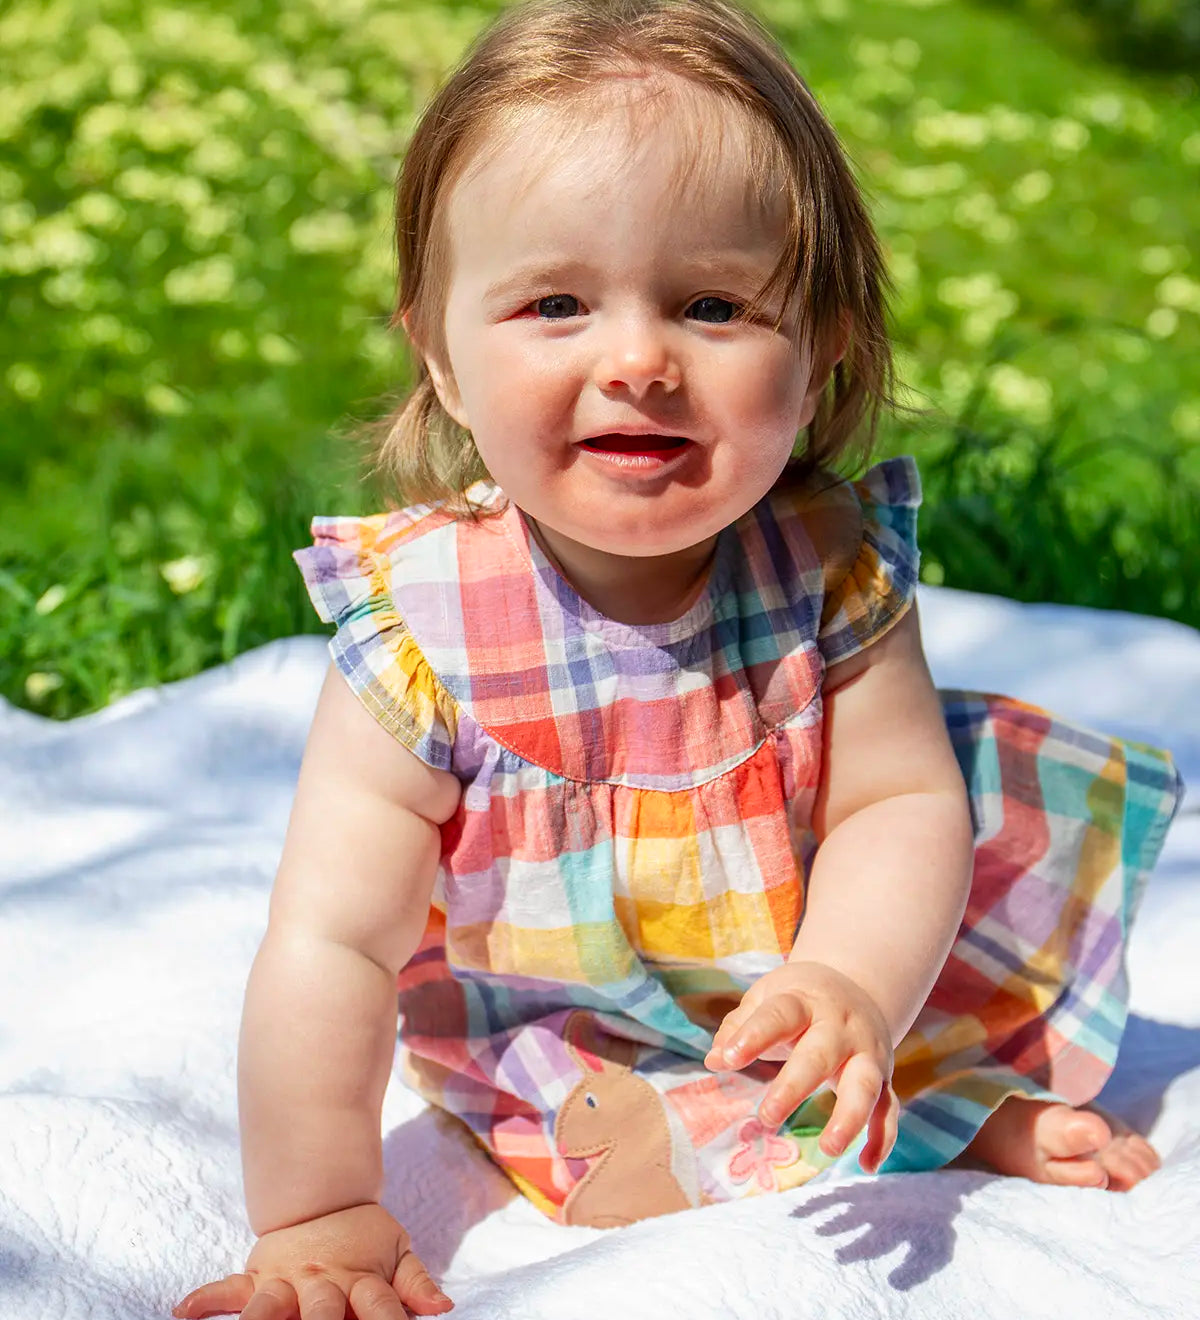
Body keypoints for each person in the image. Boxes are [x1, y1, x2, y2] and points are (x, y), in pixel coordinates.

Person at [173, 0, 1183, 1315]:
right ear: (441, 356)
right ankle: (868, 1115)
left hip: (819, 955)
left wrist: (851, 982)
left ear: (821, 350)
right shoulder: (424, 631)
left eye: (713, 304)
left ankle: (926, 1094)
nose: (638, 359)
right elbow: (334, 945)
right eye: (555, 304)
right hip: (577, 1004)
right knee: (606, 1144)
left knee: (898, 967)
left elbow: (896, 803)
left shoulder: (829, 567)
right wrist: (320, 1212)